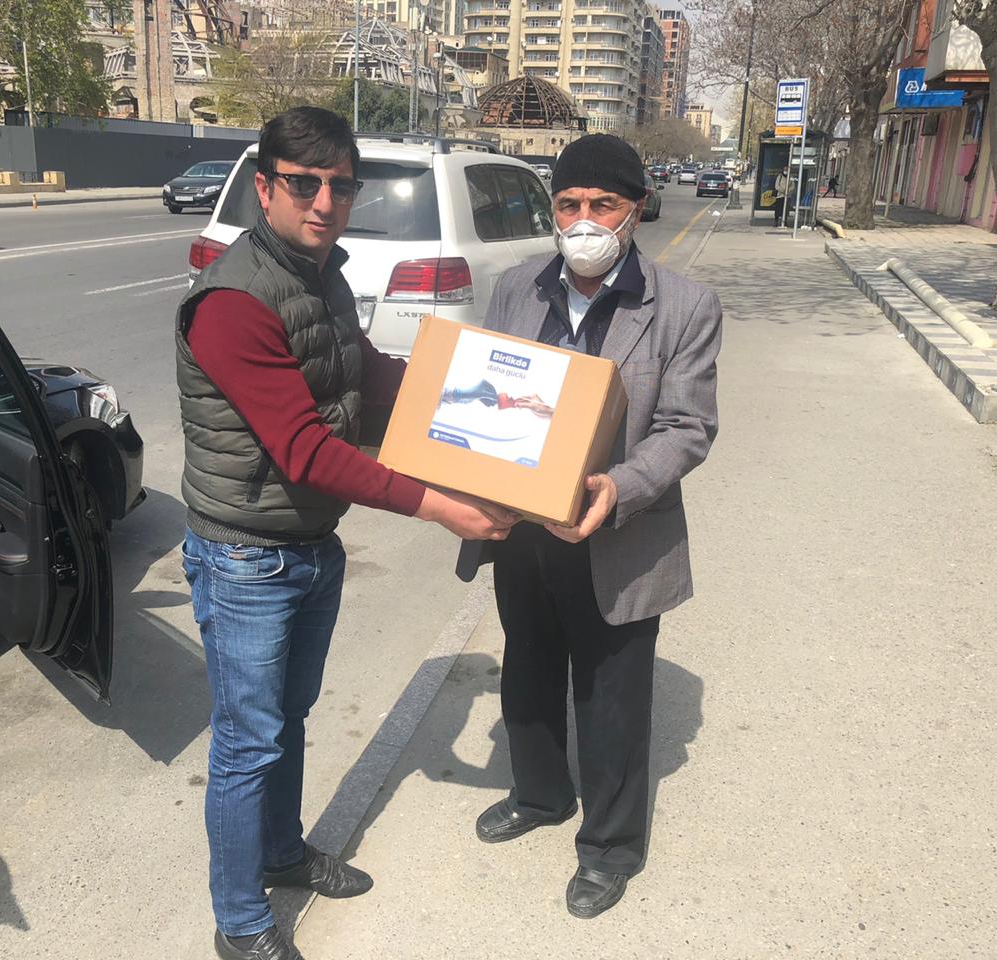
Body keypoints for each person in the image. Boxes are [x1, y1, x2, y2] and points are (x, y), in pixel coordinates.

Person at [175, 106, 515, 960]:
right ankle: (239, 923)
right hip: (246, 555)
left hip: (307, 544)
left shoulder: (321, 274)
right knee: (247, 743)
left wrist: (489, 399)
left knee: (287, 720)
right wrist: (439, 504)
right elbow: (306, 450)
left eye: (340, 185)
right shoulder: (232, 301)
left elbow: (367, 373)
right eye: (303, 184)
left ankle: (283, 854)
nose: (324, 202)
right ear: (265, 188)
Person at [458, 134, 721, 920]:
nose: (583, 220)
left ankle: (610, 846)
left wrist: (620, 486)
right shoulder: (516, 289)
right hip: (523, 532)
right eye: (569, 203)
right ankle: (540, 793)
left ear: (636, 210)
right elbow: (484, 397)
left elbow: (686, 427)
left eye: (602, 205)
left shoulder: (684, 307)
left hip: (619, 535)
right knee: (528, 669)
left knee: (611, 697)